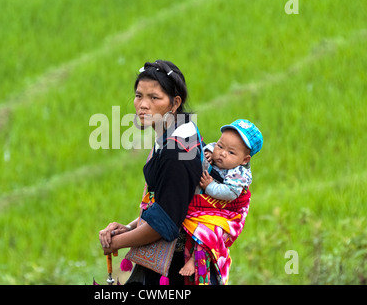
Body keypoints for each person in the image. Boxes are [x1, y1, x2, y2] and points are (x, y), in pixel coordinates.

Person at [99, 60, 204, 285]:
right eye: (139, 96)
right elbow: (163, 204)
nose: (143, 105)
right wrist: (127, 228)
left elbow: (164, 223)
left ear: (175, 103)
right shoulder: (171, 138)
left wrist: (118, 242)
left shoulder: (177, 151)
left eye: (154, 98)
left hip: (176, 271)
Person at [180, 119, 263, 284]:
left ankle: (197, 259)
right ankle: (194, 252)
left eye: (231, 153)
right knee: (200, 222)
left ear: (245, 159)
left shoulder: (240, 174)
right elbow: (210, 146)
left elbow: (230, 193)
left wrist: (210, 186)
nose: (222, 153)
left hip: (230, 214)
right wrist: (209, 151)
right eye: (220, 146)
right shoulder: (216, 152)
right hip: (210, 208)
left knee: (212, 230)